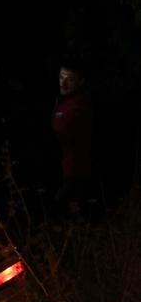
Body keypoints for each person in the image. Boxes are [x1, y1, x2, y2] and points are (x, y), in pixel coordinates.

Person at [52, 59, 93, 213]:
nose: (63, 83)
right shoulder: (62, 100)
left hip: (75, 173)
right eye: (62, 77)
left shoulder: (80, 105)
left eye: (70, 79)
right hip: (63, 169)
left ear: (80, 82)